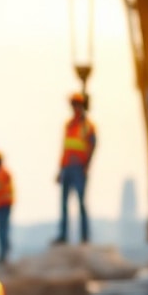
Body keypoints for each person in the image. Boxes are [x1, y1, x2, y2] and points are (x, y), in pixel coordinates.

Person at [55, 93, 96, 244]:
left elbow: (92, 146)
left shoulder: (87, 126)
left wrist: (87, 165)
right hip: (67, 167)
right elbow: (65, 148)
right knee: (64, 203)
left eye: (76, 104)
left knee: (81, 203)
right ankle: (63, 235)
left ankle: (85, 236)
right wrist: (60, 170)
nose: (74, 108)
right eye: (72, 104)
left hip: (79, 168)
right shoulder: (69, 125)